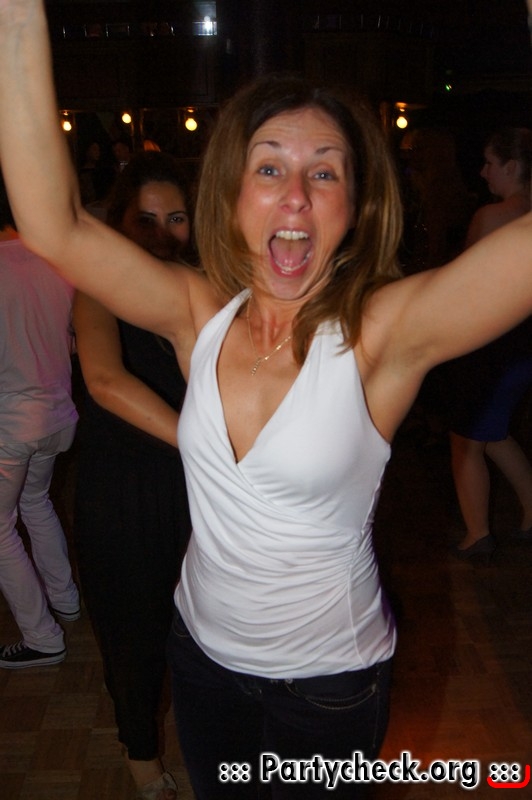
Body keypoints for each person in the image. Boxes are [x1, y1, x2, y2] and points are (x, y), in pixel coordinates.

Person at [2, 3, 532, 795]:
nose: (296, 195)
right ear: (232, 196)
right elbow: (53, 227)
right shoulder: (198, 314)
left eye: (325, 171)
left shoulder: (381, 335)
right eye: (270, 167)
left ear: (354, 207)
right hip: (203, 655)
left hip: (329, 684)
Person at [73, 152, 192, 800]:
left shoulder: (200, 285)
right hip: (124, 486)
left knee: (205, 624)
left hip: (196, 485)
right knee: (134, 630)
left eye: (176, 218)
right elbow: (104, 381)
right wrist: (208, 448)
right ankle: (141, 751)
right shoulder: (99, 286)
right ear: (119, 222)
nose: (163, 232)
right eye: (146, 219)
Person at [0, 169, 79, 669]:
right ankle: (65, 598)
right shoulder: (55, 259)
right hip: (57, 413)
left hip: (12, 421)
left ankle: (43, 636)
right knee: (36, 502)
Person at [443, 127, 532, 560]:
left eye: (490, 163)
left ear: (512, 167)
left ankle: (477, 534)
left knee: (465, 441)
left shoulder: (492, 215)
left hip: (492, 346)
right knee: (494, 434)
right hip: (524, 346)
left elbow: (458, 285)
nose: (483, 172)